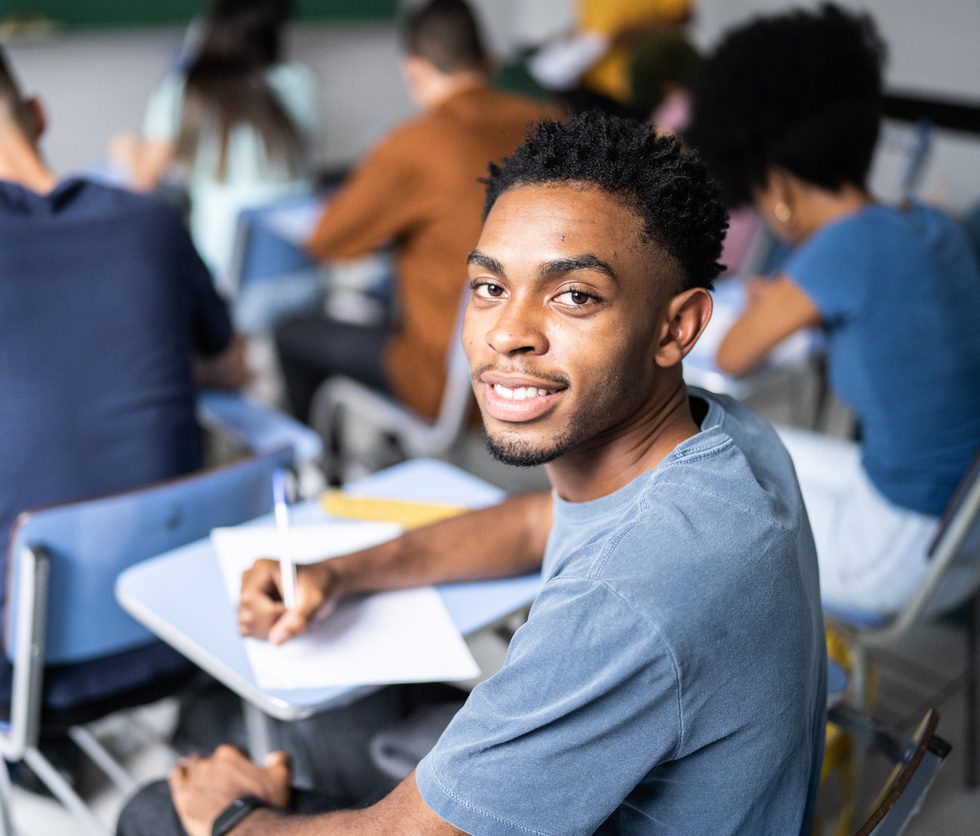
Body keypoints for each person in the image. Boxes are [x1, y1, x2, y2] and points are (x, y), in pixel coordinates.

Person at [118, 110, 826, 836]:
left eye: (574, 295)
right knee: (241, 708)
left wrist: (231, 817)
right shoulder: (724, 433)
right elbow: (533, 520)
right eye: (489, 287)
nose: (506, 332)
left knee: (157, 810)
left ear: (677, 328)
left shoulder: (628, 598)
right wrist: (341, 573)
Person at [686, 4, 980, 615]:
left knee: (686, 473)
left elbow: (735, 354)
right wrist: (802, 302)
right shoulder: (928, 225)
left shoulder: (841, 250)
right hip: (958, 529)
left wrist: (785, 299)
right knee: (744, 445)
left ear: (779, 188)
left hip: (894, 554)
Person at [0, 48, 245, 712]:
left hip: (31, 676)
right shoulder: (153, 219)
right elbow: (232, 369)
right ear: (38, 114)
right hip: (195, 624)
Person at [274, 0, 560, 424]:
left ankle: (321, 477)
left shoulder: (415, 145)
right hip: (548, 359)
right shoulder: (551, 122)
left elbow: (324, 240)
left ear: (413, 71)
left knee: (292, 332)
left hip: (453, 384)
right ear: (487, 61)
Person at [111, 0, 320, 291]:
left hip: (225, 273)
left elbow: (141, 182)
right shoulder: (300, 82)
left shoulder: (186, 91)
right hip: (299, 267)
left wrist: (129, 152)